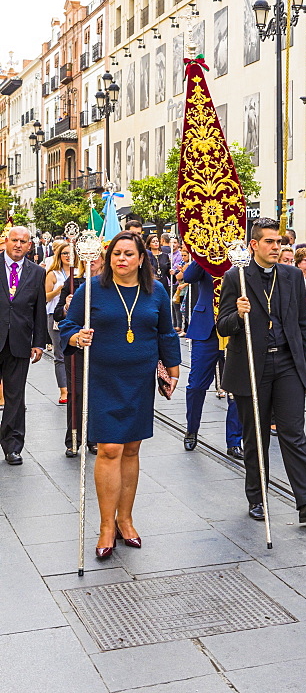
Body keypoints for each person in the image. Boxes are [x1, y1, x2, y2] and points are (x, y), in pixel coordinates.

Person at [59, 232, 181, 558]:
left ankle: (125, 519)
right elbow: (67, 327)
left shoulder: (155, 291)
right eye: (116, 254)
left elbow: (166, 332)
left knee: (131, 448)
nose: (121, 259)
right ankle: (105, 526)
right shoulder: (91, 289)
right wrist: (77, 338)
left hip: (139, 379)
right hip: (102, 379)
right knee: (110, 448)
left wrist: (172, 368)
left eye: (129, 254)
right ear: (109, 257)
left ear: (142, 259)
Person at [217, 218, 306, 524]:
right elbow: (222, 325)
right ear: (254, 245)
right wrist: (238, 314)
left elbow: (299, 323)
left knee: (294, 433)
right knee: (256, 437)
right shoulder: (235, 277)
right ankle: (257, 498)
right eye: (269, 242)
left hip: (286, 363)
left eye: (279, 242)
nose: (276, 247)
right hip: (251, 366)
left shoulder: (292, 275)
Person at [181, 260, 244, 459]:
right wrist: (202, 255)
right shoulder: (205, 257)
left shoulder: (239, 256)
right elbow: (189, 277)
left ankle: (234, 441)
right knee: (196, 385)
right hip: (206, 329)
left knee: (236, 389)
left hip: (234, 328)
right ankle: (192, 429)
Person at [0, 227, 47, 465]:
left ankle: (13, 446)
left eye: (23, 241)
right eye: (14, 240)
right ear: (6, 241)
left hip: (19, 343)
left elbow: (39, 310)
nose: (18, 245)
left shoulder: (37, 272)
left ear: (30, 245)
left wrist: (39, 342)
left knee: (15, 397)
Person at [54, 250, 105, 456]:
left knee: (97, 391)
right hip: (77, 344)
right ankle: (73, 438)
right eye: (88, 258)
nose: (91, 261)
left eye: (96, 257)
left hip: (102, 345)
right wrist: (67, 307)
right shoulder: (73, 282)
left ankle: (93, 437)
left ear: (102, 260)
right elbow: (58, 314)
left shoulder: (108, 285)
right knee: (76, 391)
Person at [45, 241, 78, 405]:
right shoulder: (53, 274)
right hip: (56, 315)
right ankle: (64, 390)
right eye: (64, 253)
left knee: (75, 353)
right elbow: (45, 297)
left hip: (75, 317)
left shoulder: (80, 272)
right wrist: (58, 290)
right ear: (59, 256)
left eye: (70, 253)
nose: (67, 256)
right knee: (60, 354)